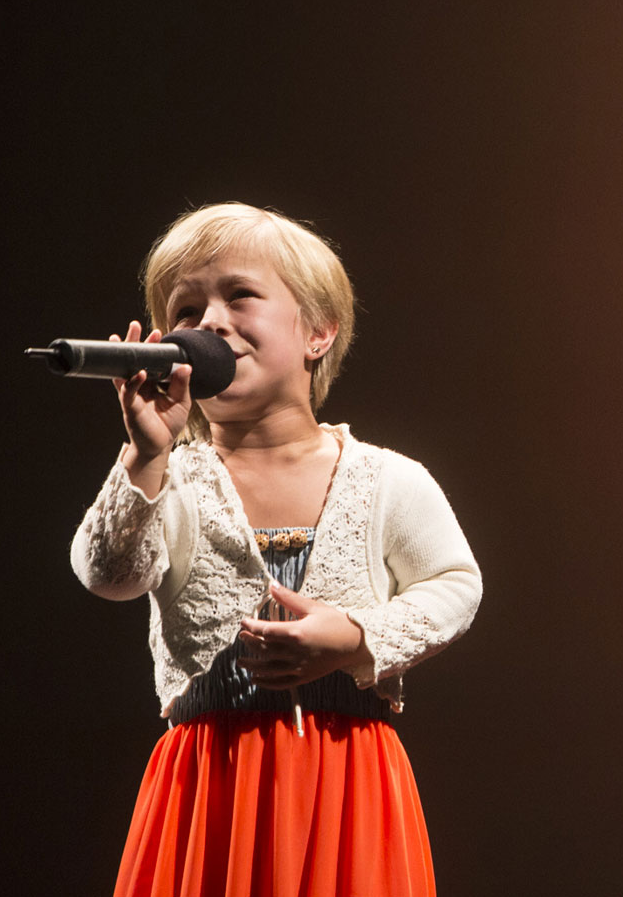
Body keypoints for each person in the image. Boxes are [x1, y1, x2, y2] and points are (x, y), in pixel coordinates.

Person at [70, 202, 482, 897]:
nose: (209, 321)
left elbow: (455, 584)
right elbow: (108, 574)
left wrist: (354, 637)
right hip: (211, 785)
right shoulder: (173, 478)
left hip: (345, 781)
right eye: (187, 309)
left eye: (240, 296)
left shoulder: (386, 479)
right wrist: (144, 454)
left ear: (318, 331)